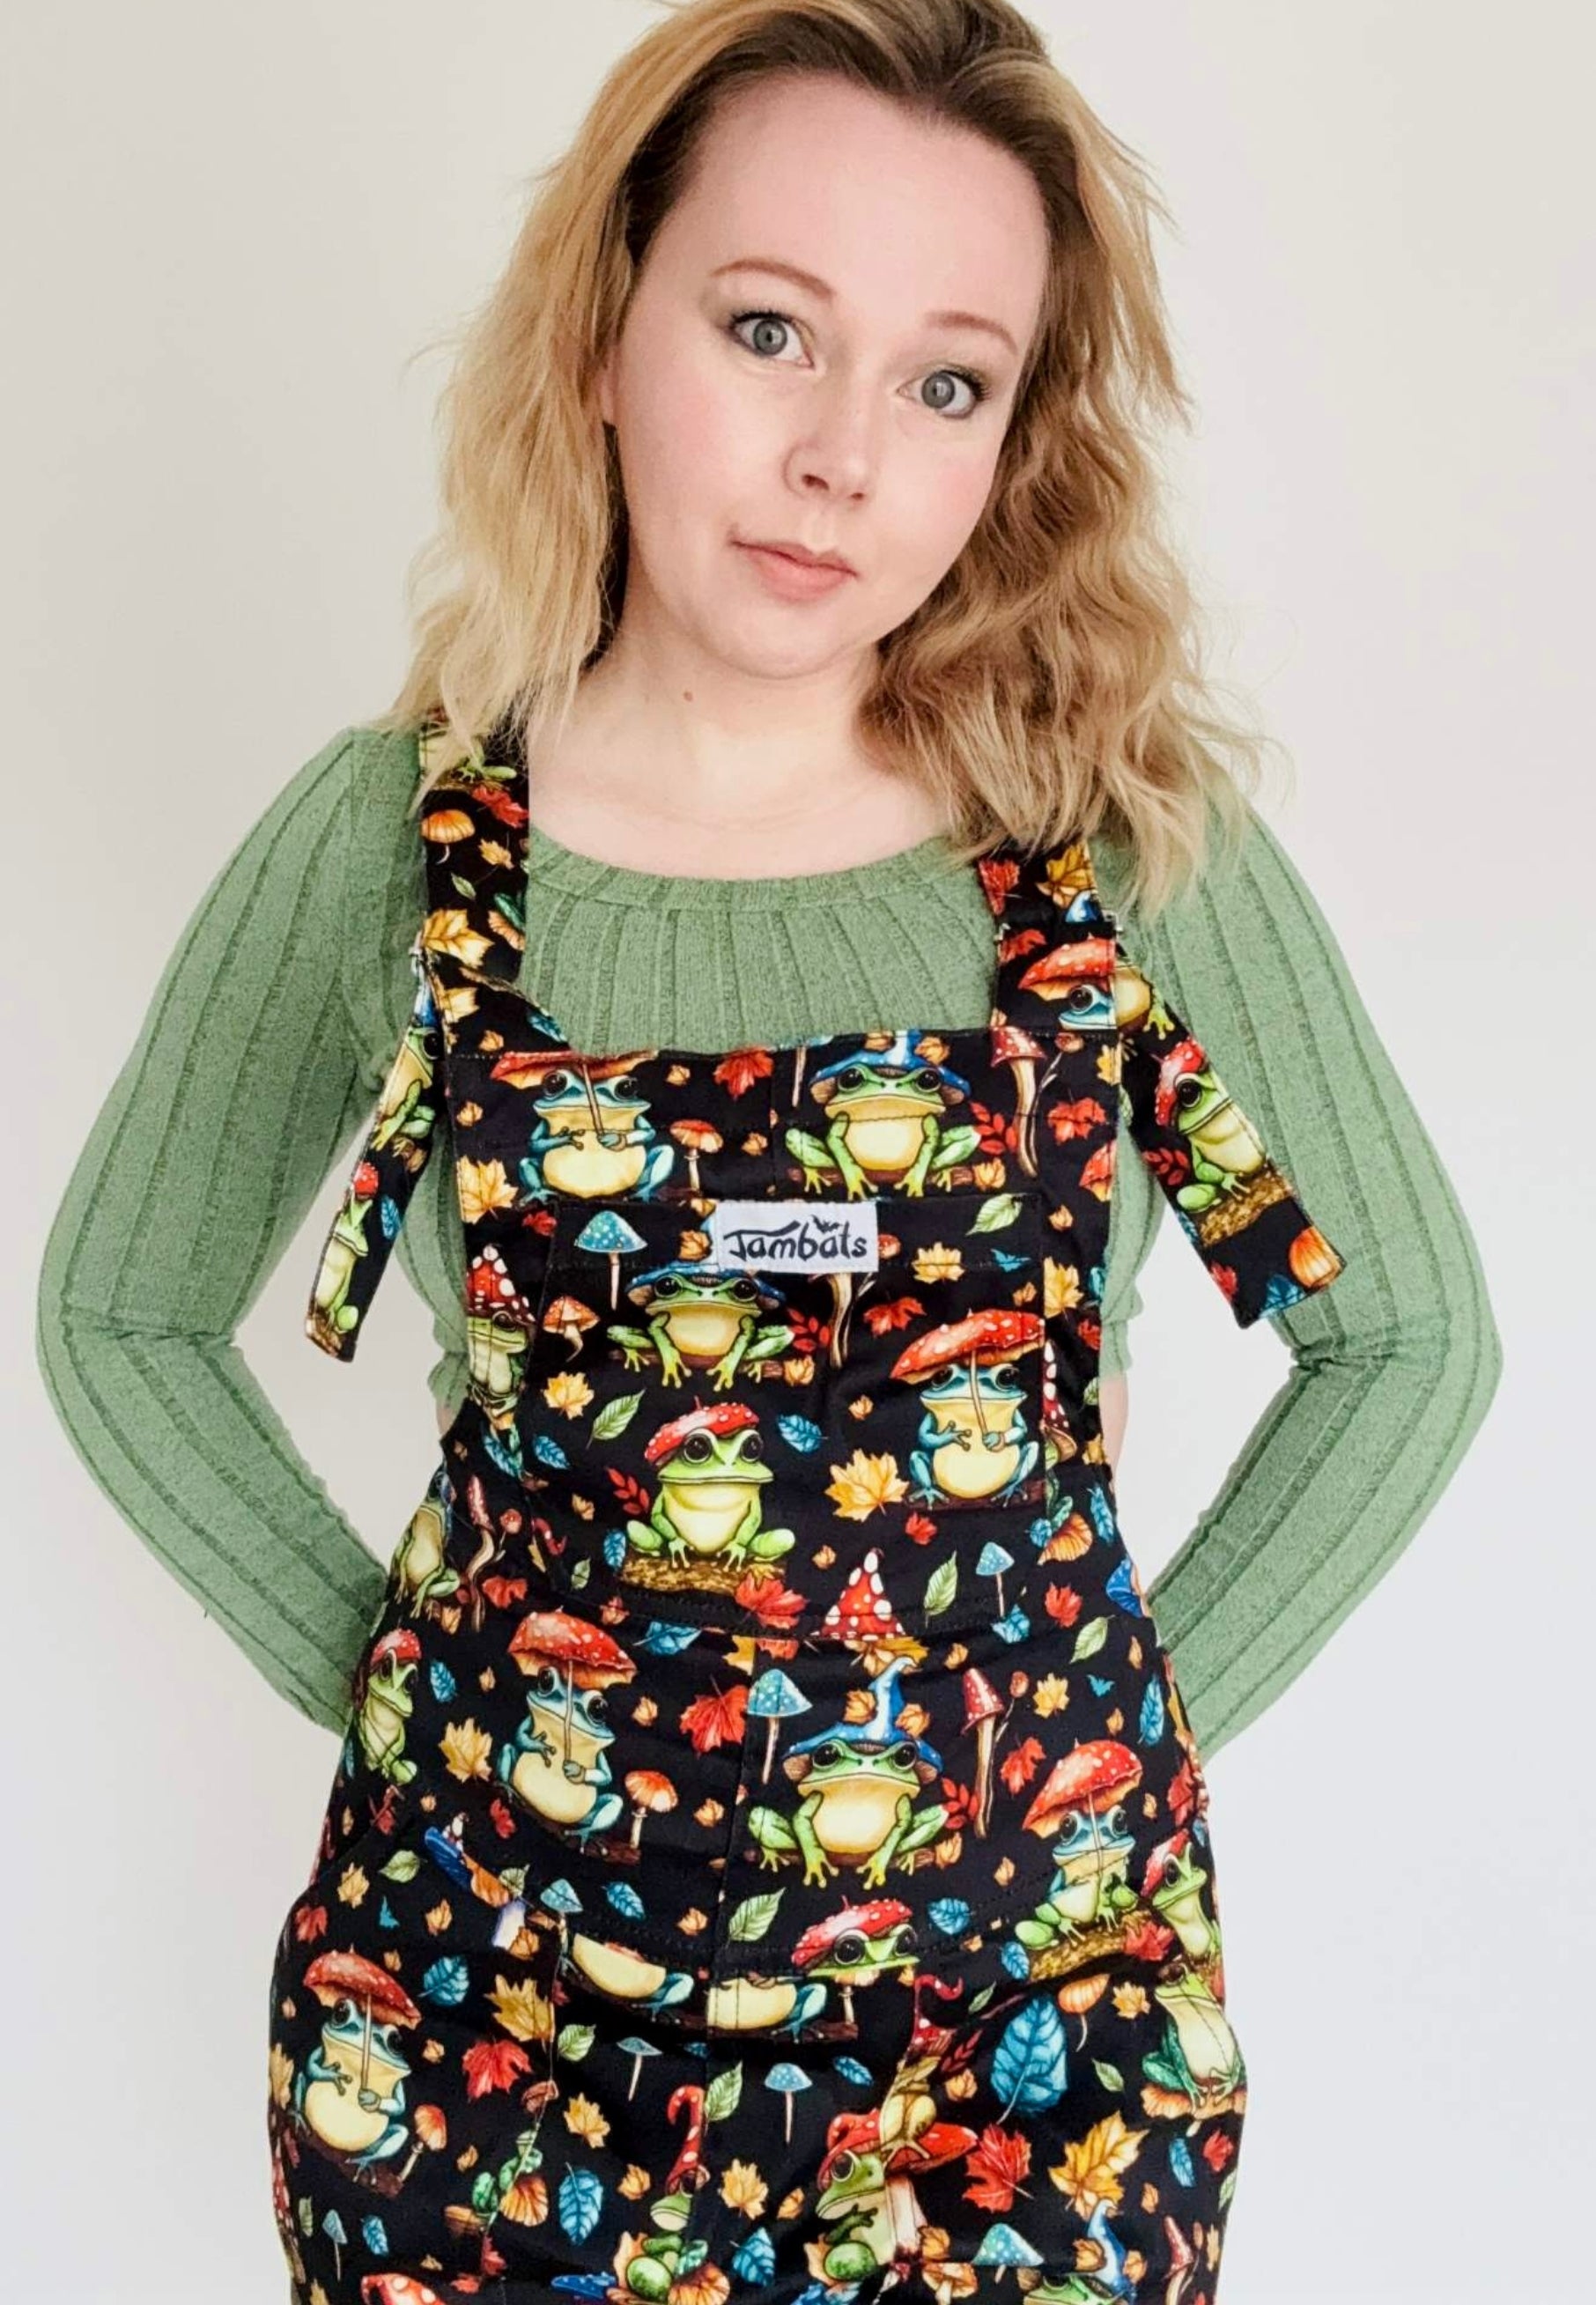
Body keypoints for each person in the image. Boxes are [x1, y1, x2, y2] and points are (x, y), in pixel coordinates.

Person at [34, 4, 1500, 2300]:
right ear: (603, 329)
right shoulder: (397, 847)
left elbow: (1405, 1336)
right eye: (764, 329)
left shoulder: (1111, 860)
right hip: (489, 2053)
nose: (841, 457)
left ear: (1012, 441)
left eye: (943, 380)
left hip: (1015, 2063)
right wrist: (406, 1699)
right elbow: (119, 1311)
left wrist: (1102, 1747)